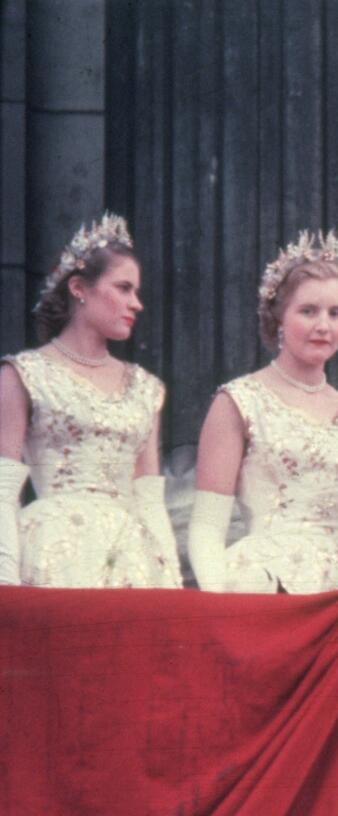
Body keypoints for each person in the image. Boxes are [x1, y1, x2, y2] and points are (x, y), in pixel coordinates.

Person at [185, 232, 338, 593]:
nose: (323, 325)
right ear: (277, 318)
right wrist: (220, 602)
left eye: (335, 313)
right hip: (261, 589)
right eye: (308, 311)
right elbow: (206, 529)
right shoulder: (239, 402)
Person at [0, 213, 178, 588]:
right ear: (79, 288)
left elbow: (148, 499)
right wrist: (5, 583)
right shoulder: (25, 374)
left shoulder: (146, 388)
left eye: (137, 292)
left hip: (133, 558)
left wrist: (173, 583)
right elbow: (2, 492)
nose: (137, 304)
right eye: (124, 288)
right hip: (53, 551)